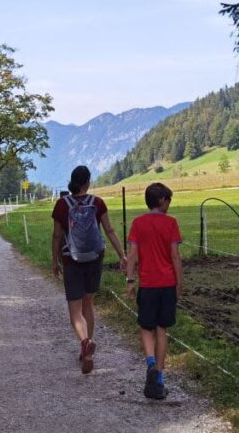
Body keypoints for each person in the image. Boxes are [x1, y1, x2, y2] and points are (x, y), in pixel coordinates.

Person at [51, 165, 126, 374]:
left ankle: (84, 343)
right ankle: (87, 345)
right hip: (95, 258)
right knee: (88, 304)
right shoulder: (98, 203)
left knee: (75, 311)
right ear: (87, 182)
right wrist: (122, 255)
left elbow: (57, 236)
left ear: (72, 181)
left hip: (71, 259)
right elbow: (109, 230)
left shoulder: (61, 205)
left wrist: (54, 261)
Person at [125, 182, 182, 400]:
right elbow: (175, 256)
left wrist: (130, 280)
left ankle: (150, 363)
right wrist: (180, 282)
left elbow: (132, 255)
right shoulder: (171, 223)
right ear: (161, 201)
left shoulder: (138, 223)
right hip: (167, 283)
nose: (169, 204)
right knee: (161, 329)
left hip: (147, 284)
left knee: (145, 327)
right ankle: (158, 377)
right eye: (168, 200)